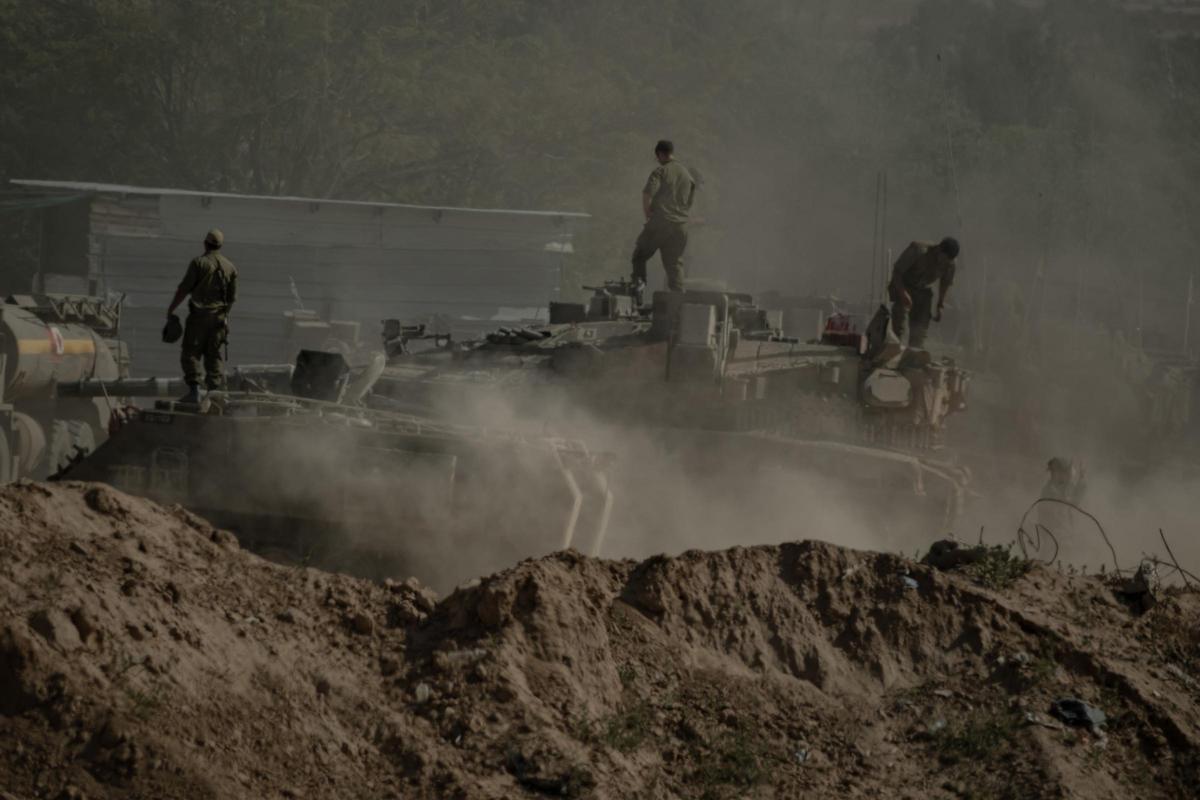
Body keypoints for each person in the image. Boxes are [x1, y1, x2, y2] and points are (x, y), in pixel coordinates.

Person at [166, 228, 238, 402]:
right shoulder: (231, 267)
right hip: (219, 320)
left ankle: (194, 391)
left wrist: (171, 309)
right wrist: (225, 318)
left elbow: (184, 289)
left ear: (205, 243)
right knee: (213, 355)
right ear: (220, 245)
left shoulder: (199, 263)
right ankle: (214, 394)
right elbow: (231, 299)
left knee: (190, 354)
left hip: (199, 317)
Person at [631, 139, 696, 292]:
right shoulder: (688, 176)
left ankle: (639, 286)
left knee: (639, 256)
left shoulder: (661, 171)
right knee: (674, 264)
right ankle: (678, 300)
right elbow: (688, 204)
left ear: (660, 154)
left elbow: (647, 192)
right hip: (680, 227)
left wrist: (647, 212)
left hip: (661, 223)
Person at [888, 237, 959, 348]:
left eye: (948, 260)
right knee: (899, 320)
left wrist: (940, 304)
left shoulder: (950, 264)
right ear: (939, 249)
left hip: (923, 290)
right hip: (904, 285)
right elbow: (897, 272)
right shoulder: (918, 250)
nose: (944, 262)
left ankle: (913, 354)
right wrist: (903, 293)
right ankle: (894, 349)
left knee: (920, 327)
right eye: (944, 258)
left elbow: (945, 283)